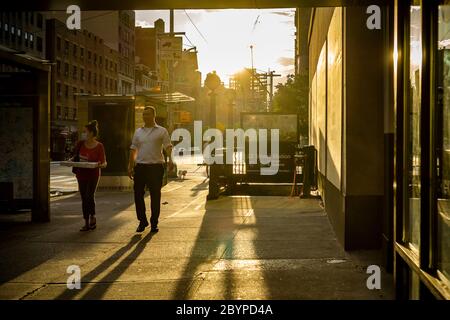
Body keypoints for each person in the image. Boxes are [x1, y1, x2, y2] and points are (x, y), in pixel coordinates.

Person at [128, 106, 173, 233]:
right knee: (137, 194)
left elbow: (168, 146)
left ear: (154, 115)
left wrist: (171, 160)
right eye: (144, 114)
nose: (145, 117)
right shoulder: (138, 132)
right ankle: (142, 221)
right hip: (140, 167)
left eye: (147, 114)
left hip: (156, 167)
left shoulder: (162, 131)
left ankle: (154, 223)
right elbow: (133, 149)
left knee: (155, 195)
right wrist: (130, 165)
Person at [73, 120, 107, 231]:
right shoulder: (80, 144)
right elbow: (75, 157)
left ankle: (92, 216)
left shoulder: (99, 146)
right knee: (84, 198)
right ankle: (86, 222)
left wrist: (100, 165)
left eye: (85, 131)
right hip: (81, 174)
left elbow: (104, 162)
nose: (83, 133)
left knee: (89, 196)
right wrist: (70, 161)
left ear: (91, 133)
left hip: (93, 174)